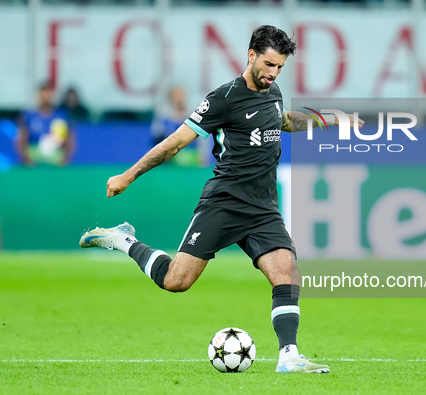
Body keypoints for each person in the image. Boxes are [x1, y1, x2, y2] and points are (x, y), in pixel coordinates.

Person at [79, 25, 361, 373]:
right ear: (251, 55)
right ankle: (122, 240)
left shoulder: (273, 93)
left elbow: (283, 120)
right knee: (175, 281)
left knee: (286, 271)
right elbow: (176, 142)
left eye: (280, 68)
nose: (273, 73)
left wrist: (330, 119)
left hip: (263, 208)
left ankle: (289, 356)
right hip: (224, 203)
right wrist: (128, 176)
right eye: (269, 65)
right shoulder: (223, 98)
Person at [16, 82, 75, 166]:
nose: (45, 96)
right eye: (43, 92)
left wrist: (65, 159)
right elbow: (21, 140)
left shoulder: (62, 116)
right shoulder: (28, 116)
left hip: (55, 161)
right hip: (34, 160)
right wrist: (26, 158)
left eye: (48, 92)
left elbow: (69, 140)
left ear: (52, 95)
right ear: (38, 95)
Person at [151, 86, 211, 167]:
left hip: (192, 159)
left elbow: (202, 140)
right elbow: (156, 139)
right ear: (170, 98)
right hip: (170, 160)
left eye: (181, 95)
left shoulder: (194, 115)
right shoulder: (164, 117)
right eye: (176, 96)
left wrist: (203, 157)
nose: (179, 99)